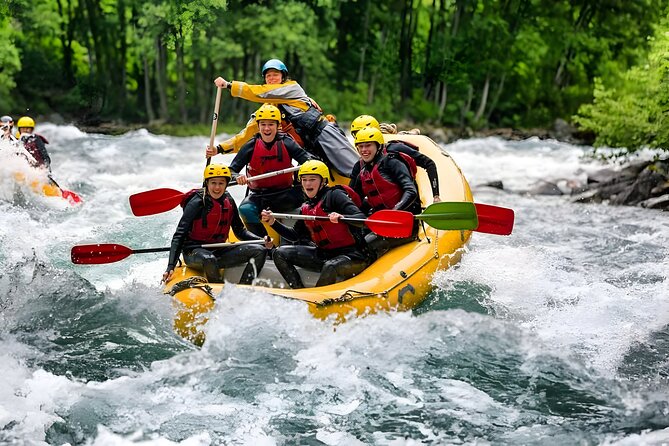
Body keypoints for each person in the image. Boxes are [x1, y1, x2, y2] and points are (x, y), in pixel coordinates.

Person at [208, 58, 358, 176]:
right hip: (307, 148)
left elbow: (259, 92)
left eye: (275, 75)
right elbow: (247, 134)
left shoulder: (292, 88)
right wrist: (220, 148)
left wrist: (229, 85)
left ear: (283, 77)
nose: (272, 78)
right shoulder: (268, 109)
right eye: (268, 76)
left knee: (354, 168)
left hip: (324, 134)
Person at [260, 160, 370, 289]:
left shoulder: (335, 195)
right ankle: (299, 291)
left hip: (353, 255)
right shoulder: (307, 206)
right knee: (280, 253)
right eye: (304, 179)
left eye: (312, 179)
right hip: (323, 254)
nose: (307, 183)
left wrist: (343, 217)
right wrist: (273, 222)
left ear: (323, 181)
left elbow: (363, 220)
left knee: (330, 266)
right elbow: (295, 236)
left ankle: (317, 301)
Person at [163, 164, 272, 285]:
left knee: (260, 251)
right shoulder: (197, 202)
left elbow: (240, 231)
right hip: (194, 252)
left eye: (221, 183)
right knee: (209, 259)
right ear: (207, 183)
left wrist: (261, 240)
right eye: (213, 183)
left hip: (219, 250)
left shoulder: (229, 201)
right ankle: (218, 292)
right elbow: (179, 235)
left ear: (226, 184)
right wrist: (171, 266)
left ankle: (243, 289)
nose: (217, 187)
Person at [225, 103, 314, 237]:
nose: (267, 128)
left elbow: (308, 162)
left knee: (305, 205)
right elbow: (231, 171)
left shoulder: (287, 142)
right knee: (245, 209)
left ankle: (296, 240)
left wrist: (308, 168)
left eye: (271, 124)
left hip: (287, 194)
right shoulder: (251, 145)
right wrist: (237, 176)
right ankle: (264, 245)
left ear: (278, 125)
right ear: (258, 126)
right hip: (259, 195)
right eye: (263, 124)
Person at [349, 126, 420, 259]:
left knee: (365, 243)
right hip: (381, 223)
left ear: (378, 146)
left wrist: (394, 212)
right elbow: (353, 199)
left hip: (404, 224)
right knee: (353, 238)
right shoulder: (363, 171)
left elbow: (410, 191)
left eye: (368, 146)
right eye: (360, 146)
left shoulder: (392, 162)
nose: (364, 150)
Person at [350, 114, 441, 203]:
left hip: (406, 204)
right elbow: (352, 193)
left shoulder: (395, 149)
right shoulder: (360, 164)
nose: (362, 136)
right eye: (357, 134)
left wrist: (436, 196)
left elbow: (429, 163)